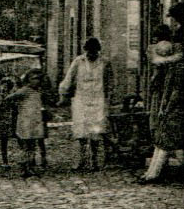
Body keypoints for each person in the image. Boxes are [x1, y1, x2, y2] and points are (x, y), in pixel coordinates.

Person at [142, 5, 184, 183]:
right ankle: (156, 173)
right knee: (168, 140)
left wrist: (166, 108)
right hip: (170, 106)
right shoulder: (171, 71)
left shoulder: (178, 70)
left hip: (175, 108)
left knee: (168, 140)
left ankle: (157, 173)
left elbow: (175, 92)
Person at [59, 37, 111, 170]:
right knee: (81, 131)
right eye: (89, 52)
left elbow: (110, 82)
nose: (91, 55)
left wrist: (110, 98)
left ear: (98, 51)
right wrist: (63, 93)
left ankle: (94, 161)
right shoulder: (78, 61)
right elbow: (69, 78)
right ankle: (80, 160)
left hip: (98, 99)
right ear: (85, 51)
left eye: (94, 52)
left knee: (95, 131)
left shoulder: (105, 62)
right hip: (81, 99)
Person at [12, 68, 47, 176]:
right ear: (28, 80)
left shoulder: (37, 91)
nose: (37, 81)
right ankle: (24, 168)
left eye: (38, 79)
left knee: (32, 146)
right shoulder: (25, 90)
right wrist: (17, 106)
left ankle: (30, 166)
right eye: (34, 79)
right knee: (26, 146)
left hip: (34, 122)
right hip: (25, 122)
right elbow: (11, 98)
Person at [0, 76, 19, 167]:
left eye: (6, 86)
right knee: (4, 142)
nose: (4, 88)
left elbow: (17, 107)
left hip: (13, 121)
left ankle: (24, 159)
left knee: (20, 139)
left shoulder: (12, 96)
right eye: (2, 86)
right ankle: (5, 161)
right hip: (2, 121)